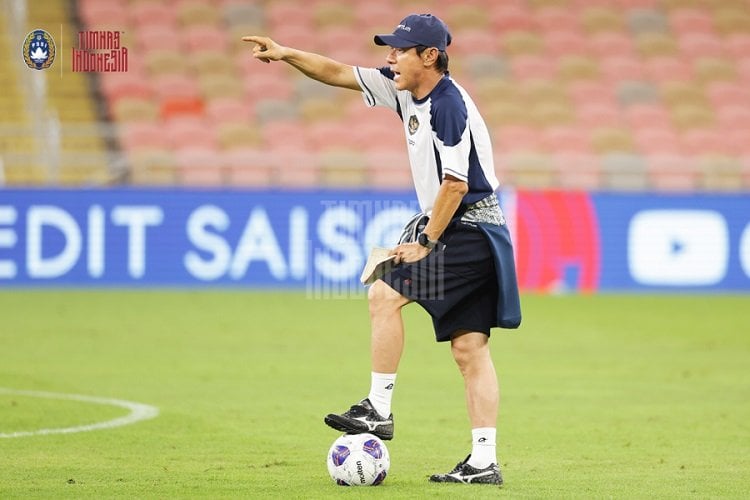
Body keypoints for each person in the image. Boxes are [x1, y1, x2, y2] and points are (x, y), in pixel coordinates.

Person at [244, 13, 521, 486]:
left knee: (384, 294)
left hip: (467, 229)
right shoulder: (404, 89)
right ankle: (483, 462)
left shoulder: (447, 105)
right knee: (469, 349)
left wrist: (425, 241)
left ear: (429, 56)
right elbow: (337, 72)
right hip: (470, 230)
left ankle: (378, 409)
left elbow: (455, 185)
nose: (389, 57)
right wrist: (287, 53)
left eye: (399, 50)